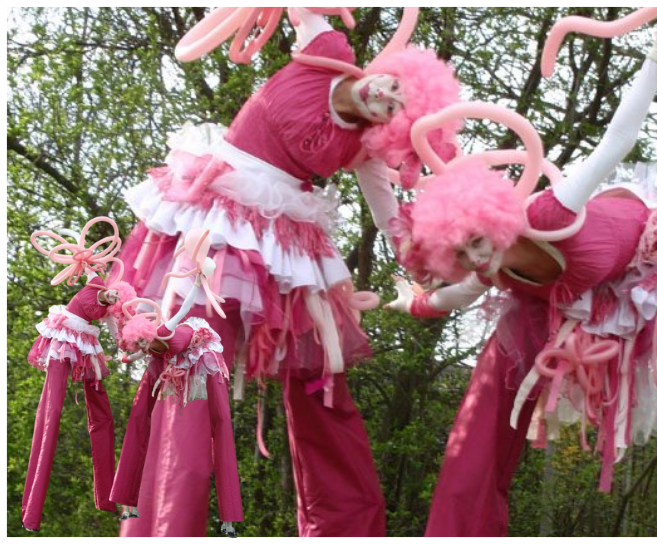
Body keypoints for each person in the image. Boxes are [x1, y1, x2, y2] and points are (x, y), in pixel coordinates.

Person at [388, 25, 657, 537]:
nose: (476, 258)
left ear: (494, 219)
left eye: (476, 241)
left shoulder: (552, 213)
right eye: (461, 253)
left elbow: (617, 139)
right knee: (497, 370)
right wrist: (409, 305)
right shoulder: (494, 270)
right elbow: (456, 295)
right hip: (585, 297)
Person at [114, 8, 461, 537]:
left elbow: (388, 212)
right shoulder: (330, 54)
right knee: (193, 363)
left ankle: (345, 527)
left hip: (289, 247)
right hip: (223, 219)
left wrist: (420, 257)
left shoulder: (362, 146)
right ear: (391, 69)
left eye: (394, 109)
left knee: (322, 381)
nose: (384, 99)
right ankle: (163, 526)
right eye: (394, 88)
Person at [111, 245, 242, 538]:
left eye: (143, 343)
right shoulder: (152, 353)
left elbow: (184, 309)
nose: (142, 348)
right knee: (140, 418)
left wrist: (196, 284)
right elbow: (130, 355)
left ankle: (229, 518)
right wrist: (121, 354)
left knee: (219, 425)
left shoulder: (167, 329)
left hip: (206, 358)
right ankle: (129, 503)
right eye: (141, 346)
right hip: (181, 368)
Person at [24, 222, 136, 531]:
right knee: (52, 411)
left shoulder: (111, 302)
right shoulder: (96, 285)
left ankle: (106, 496)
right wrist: (89, 263)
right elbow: (94, 282)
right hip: (66, 340)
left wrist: (127, 348)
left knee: (102, 415)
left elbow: (116, 332)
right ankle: (31, 508)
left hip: (87, 345)